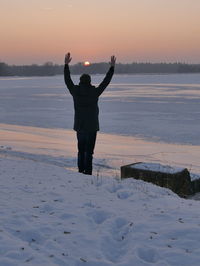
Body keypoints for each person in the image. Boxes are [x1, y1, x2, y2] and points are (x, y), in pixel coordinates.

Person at [64, 53, 116, 175]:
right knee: (89, 151)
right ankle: (88, 172)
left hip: (80, 126)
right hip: (92, 127)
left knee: (81, 150)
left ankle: (80, 171)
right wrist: (112, 68)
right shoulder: (94, 92)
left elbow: (67, 80)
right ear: (89, 81)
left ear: (80, 81)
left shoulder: (75, 91)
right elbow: (105, 82)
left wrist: (66, 65)